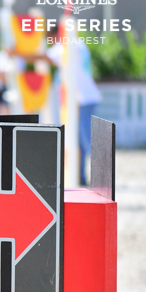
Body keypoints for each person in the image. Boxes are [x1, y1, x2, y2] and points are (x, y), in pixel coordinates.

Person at [46, 39, 101, 184]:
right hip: (85, 97)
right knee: (79, 140)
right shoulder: (79, 44)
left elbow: (45, 57)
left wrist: (16, 53)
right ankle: (81, 177)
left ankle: (101, 175)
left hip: (82, 98)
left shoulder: (64, 46)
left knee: (85, 139)